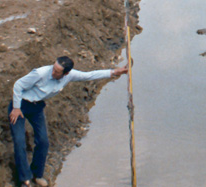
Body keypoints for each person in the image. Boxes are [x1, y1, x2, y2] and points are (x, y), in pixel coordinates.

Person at [9, 56, 128, 187]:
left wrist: (114, 72)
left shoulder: (69, 76)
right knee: (19, 142)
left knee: (43, 141)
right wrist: (16, 107)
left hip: (37, 107)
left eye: (57, 71)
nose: (53, 72)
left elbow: (89, 75)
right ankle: (25, 179)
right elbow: (18, 85)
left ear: (66, 73)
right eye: (53, 68)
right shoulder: (40, 73)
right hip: (20, 106)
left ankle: (37, 174)